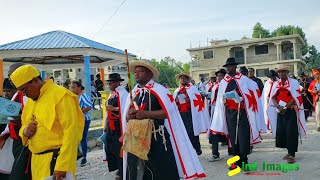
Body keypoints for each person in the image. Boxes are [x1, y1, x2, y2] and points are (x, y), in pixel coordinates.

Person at [122, 60, 205, 180]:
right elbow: (127, 116)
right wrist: (129, 116)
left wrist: (146, 113)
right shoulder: (134, 93)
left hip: (157, 137)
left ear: (150, 73)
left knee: (161, 170)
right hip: (137, 138)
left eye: (141, 71)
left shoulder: (159, 90)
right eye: (135, 72)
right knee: (138, 170)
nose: (137, 74)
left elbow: (168, 113)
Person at [10, 64, 84, 180]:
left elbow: (71, 132)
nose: (24, 95)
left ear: (35, 80)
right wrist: (26, 131)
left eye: (24, 90)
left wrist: (63, 165)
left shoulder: (60, 95)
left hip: (56, 161)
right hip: (36, 161)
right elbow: (24, 125)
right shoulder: (31, 101)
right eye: (21, 91)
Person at [210, 58, 263, 171]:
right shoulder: (224, 81)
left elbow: (252, 94)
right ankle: (236, 160)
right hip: (229, 113)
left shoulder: (244, 80)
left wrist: (242, 99)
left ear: (235, 67)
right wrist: (224, 99)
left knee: (243, 136)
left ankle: (244, 160)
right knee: (233, 137)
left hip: (242, 112)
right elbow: (220, 98)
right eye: (227, 67)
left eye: (230, 66)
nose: (228, 68)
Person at [267, 66, 307, 163]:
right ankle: (289, 152)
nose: (281, 74)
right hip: (280, 111)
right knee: (282, 131)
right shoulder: (276, 84)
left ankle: (292, 154)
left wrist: (286, 107)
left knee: (291, 132)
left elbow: (296, 97)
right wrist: (278, 107)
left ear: (287, 72)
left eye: (284, 72)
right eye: (280, 72)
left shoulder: (293, 82)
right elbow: (273, 97)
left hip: (290, 111)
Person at [0, 63, 31, 180]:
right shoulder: (17, 94)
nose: (10, 79)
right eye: (9, 76)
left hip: (25, 142)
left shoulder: (28, 95)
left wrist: (21, 119)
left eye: (12, 75)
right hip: (16, 141)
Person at [174, 72, 210, 155]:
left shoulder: (192, 89)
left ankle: (197, 149)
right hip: (181, 114)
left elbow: (198, 100)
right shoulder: (177, 91)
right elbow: (174, 102)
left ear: (187, 79)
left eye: (184, 78)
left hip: (190, 113)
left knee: (192, 132)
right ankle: (188, 150)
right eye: (181, 78)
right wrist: (176, 101)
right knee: (184, 132)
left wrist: (190, 100)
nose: (182, 80)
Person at [103, 73, 128, 180]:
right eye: (108, 83)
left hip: (119, 127)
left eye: (111, 83)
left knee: (120, 150)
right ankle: (118, 168)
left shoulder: (123, 94)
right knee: (111, 148)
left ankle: (123, 172)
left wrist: (114, 109)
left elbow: (125, 108)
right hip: (111, 127)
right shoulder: (112, 94)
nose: (109, 85)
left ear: (118, 83)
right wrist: (106, 124)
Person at [208, 69, 228, 162]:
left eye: (221, 75)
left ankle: (232, 152)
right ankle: (215, 154)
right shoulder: (215, 86)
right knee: (214, 133)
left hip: (226, 111)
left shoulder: (228, 85)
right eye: (218, 76)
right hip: (216, 112)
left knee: (229, 132)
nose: (219, 77)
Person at [71, 81, 92, 167]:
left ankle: (84, 157)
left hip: (84, 120)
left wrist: (78, 112)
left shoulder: (83, 96)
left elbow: (89, 106)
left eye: (74, 87)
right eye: (72, 87)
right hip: (78, 120)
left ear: (79, 88)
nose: (72, 89)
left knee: (82, 138)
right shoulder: (75, 97)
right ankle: (79, 154)